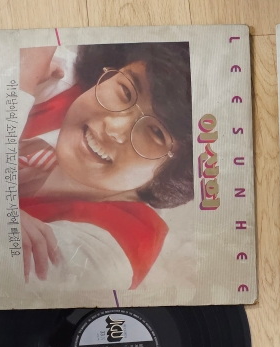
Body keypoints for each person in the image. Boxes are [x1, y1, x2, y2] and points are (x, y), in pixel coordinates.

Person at [17, 42, 193, 289]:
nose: (113, 126)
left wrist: (22, 82)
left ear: (175, 174)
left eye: (156, 133)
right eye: (126, 91)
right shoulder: (61, 84)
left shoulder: (110, 255)